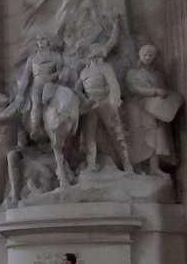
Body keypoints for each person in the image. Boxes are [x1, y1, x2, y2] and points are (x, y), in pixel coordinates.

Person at [124, 44, 183, 176]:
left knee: (155, 138)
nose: (147, 58)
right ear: (139, 54)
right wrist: (155, 91)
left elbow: (165, 93)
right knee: (138, 138)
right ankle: (137, 168)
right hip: (137, 109)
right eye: (145, 54)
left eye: (150, 55)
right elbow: (134, 88)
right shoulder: (132, 73)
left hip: (154, 110)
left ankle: (154, 167)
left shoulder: (158, 75)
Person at [76, 41, 133, 174]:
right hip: (91, 106)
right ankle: (91, 164)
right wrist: (82, 100)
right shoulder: (83, 72)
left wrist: (114, 103)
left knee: (116, 134)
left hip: (105, 103)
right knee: (89, 136)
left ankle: (127, 164)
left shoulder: (105, 67)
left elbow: (113, 85)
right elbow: (78, 89)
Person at [16, 34, 63, 142]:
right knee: (36, 103)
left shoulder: (56, 56)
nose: (40, 41)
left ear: (48, 40)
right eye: (38, 40)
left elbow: (61, 70)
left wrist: (52, 76)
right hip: (37, 85)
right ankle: (35, 128)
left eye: (43, 39)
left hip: (51, 83)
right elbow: (26, 75)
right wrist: (21, 92)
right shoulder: (32, 58)